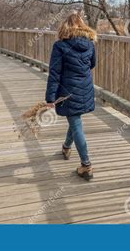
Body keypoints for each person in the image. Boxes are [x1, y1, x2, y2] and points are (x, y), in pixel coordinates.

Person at [45, 13, 97, 180]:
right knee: (74, 119)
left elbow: (54, 73)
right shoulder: (90, 44)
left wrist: (50, 98)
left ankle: (86, 166)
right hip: (85, 88)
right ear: (82, 26)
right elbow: (93, 64)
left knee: (75, 123)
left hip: (68, 91)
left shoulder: (60, 46)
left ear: (65, 27)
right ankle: (66, 147)